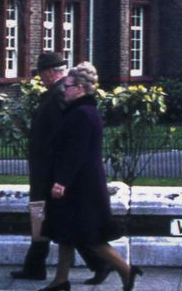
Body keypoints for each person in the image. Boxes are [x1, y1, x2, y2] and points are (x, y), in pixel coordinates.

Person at [10, 52, 111, 285]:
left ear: (49, 72)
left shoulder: (59, 94)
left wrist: (59, 175)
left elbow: (62, 134)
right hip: (46, 168)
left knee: (54, 218)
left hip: (49, 169)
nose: (41, 78)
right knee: (46, 217)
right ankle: (35, 265)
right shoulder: (57, 92)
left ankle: (101, 263)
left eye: (42, 74)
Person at [40, 62, 142, 291]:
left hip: (80, 186)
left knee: (89, 237)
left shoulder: (82, 114)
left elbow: (76, 152)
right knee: (65, 233)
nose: (64, 90)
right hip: (78, 183)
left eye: (68, 86)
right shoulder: (81, 111)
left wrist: (61, 181)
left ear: (81, 88)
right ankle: (60, 280)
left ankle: (126, 269)